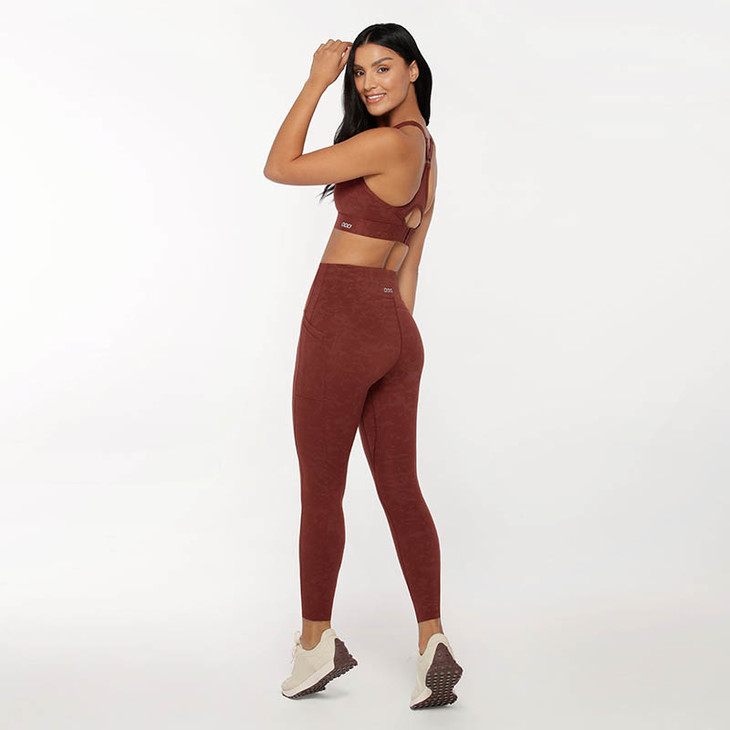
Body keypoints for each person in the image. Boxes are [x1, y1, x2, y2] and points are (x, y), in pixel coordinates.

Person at [264, 23, 463, 709]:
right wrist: (394, 339)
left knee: (321, 490)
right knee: (401, 488)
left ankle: (315, 643)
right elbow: (411, 261)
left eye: (383, 67)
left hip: (343, 322)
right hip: (395, 327)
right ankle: (432, 642)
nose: (368, 82)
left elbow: (279, 165)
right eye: (358, 72)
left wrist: (316, 80)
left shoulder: (383, 144)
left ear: (413, 70)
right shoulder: (425, 150)